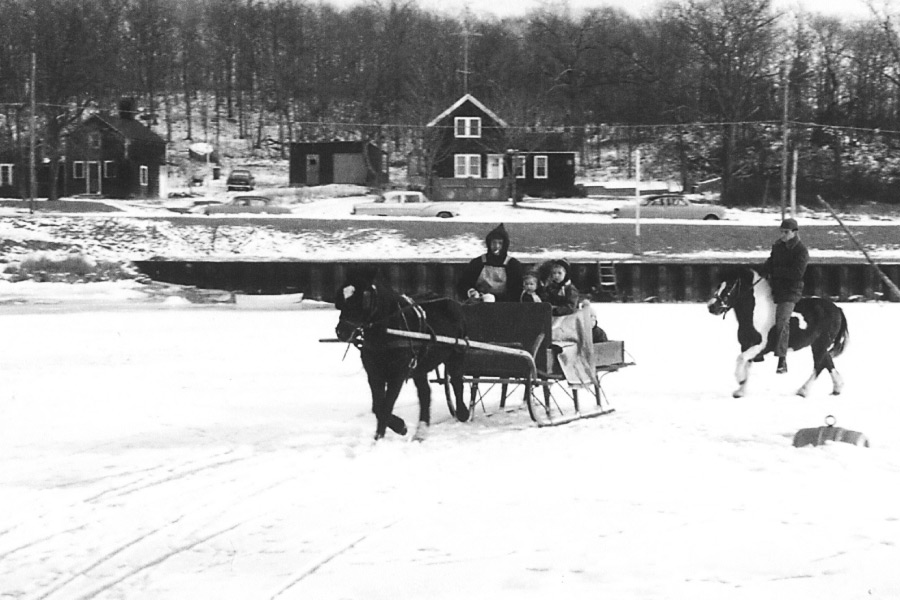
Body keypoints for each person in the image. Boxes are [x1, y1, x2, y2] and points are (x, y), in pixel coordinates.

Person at [762, 217, 809, 374]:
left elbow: (797, 273)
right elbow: (770, 262)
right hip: (775, 286)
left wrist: (776, 271)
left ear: (794, 233)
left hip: (790, 291)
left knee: (782, 321)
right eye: (781, 231)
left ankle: (782, 359)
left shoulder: (801, 250)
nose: (782, 235)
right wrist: (762, 270)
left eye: (786, 232)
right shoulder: (777, 246)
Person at [457, 223, 524, 303]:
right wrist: (471, 292)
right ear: (489, 244)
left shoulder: (513, 265)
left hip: (504, 306)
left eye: (500, 243)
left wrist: (495, 299)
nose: (496, 246)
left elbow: (515, 292)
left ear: (505, 245)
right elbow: (463, 284)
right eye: (494, 243)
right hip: (478, 304)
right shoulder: (478, 262)